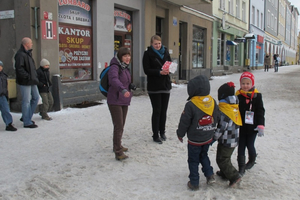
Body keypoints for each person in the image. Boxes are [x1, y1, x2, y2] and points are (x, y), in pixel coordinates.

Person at [176, 75, 219, 191]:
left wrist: (180, 133)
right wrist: (214, 129)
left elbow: (184, 121)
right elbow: (217, 117)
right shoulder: (213, 102)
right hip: (207, 137)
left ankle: (194, 182)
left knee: (193, 160)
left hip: (194, 140)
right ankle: (209, 175)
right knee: (203, 155)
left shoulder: (191, 104)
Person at [142, 35, 172, 144]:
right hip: (154, 87)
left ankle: (162, 131)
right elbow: (146, 70)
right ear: (152, 44)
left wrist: (170, 69)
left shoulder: (165, 52)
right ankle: (155, 134)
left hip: (165, 85)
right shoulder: (147, 54)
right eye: (156, 44)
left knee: (164, 111)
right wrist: (159, 72)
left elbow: (170, 64)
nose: (158, 45)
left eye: (159, 43)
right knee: (157, 111)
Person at [236, 72, 265, 176]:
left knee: (250, 145)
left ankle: (252, 160)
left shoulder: (257, 96)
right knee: (241, 146)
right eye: (243, 83)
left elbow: (260, 111)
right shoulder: (238, 95)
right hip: (242, 126)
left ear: (252, 84)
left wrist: (261, 124)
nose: (245, 85)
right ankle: (241, 167)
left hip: (253, 127)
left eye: (248, 83)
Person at [107, 47, 134, 161]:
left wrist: (130, 86)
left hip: (123, 100)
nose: (128, 58)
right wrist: (122, 90)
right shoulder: (114, 67)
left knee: (121, 125)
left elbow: (125, 81)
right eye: (125, 56)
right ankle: (118, 151)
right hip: (115, 100)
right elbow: (113, 80)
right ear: (120, 57)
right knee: (118, 126)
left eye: (129, 55)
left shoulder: (125, 68)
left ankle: (118, 145)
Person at [214, 82, 242, 187]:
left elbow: (221, 127)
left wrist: (214, 137)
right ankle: (225, 173)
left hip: (226, 140)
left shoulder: (224, 110)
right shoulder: (234, 106)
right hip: (234, 138)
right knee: (225, 158)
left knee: (222, 159)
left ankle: (234, 176)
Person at [14, 37, 39, 128]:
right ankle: (27, 121)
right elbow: (19, 69)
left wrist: (34, 76)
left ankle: (26, 117)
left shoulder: (28, 54)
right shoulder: (20, 54)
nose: (32, 44)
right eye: (31, 43)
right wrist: (28, 76)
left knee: (36, 98)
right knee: (26, 101)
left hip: (32, 80)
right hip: (25, 81)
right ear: (26, 44)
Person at [0, 61, 17, 131]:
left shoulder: (4, 75)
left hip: (2, 95)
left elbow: (5, 87)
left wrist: (6, 95)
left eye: (0, 66)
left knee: (6, 110)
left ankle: (9, 124)